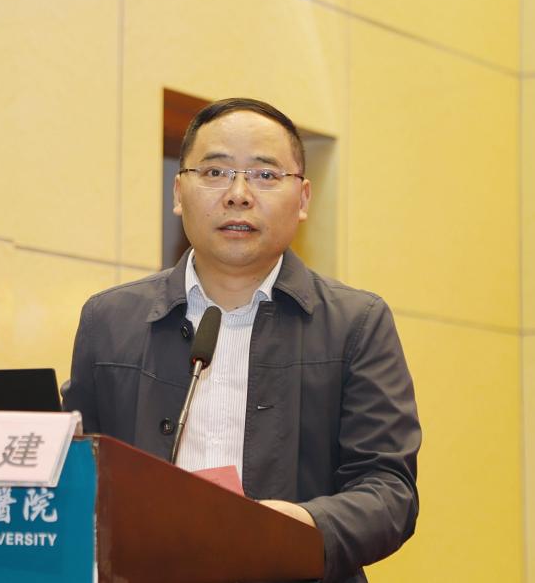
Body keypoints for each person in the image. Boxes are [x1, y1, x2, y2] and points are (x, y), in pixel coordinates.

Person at [62, 98, 420, 583]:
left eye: (265, 175)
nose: (238, 194)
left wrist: (300, 526)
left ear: (303, 199)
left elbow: (390, 491)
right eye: (215, 172)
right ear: (178, 191)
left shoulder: (356, 323)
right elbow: (75, 472)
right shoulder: (109, 320)